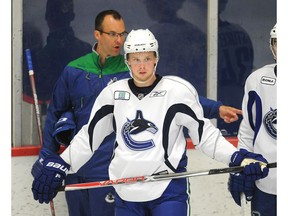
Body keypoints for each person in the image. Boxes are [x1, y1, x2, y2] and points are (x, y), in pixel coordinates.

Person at [31, 28, 270, 216]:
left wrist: (238, 157)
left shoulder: (177, 91)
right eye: (135, 59)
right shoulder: (113, 93)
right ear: (127, 61)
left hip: (168, 191)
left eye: (147, 58)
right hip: (125, 192)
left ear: (156, 58)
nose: (142, 65)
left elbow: (205, 135)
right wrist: (62, 165)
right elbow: (88, 138)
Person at [228, 24, 277, 216]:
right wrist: (241, 165)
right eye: (278, 43)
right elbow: (248, 129)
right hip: (265, 183)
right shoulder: (257, 80)